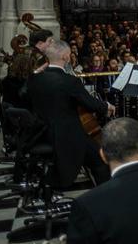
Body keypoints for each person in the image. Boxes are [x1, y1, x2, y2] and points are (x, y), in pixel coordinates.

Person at [26, 40, 115, 187]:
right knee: (101, 159)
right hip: (67, 136)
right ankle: (105, 195)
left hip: (41, 134)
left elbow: (23, 94)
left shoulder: (35, 78)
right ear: (65, 57)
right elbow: (90, 104)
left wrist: (35, 72)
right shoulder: (69, 81)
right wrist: (107, 106)